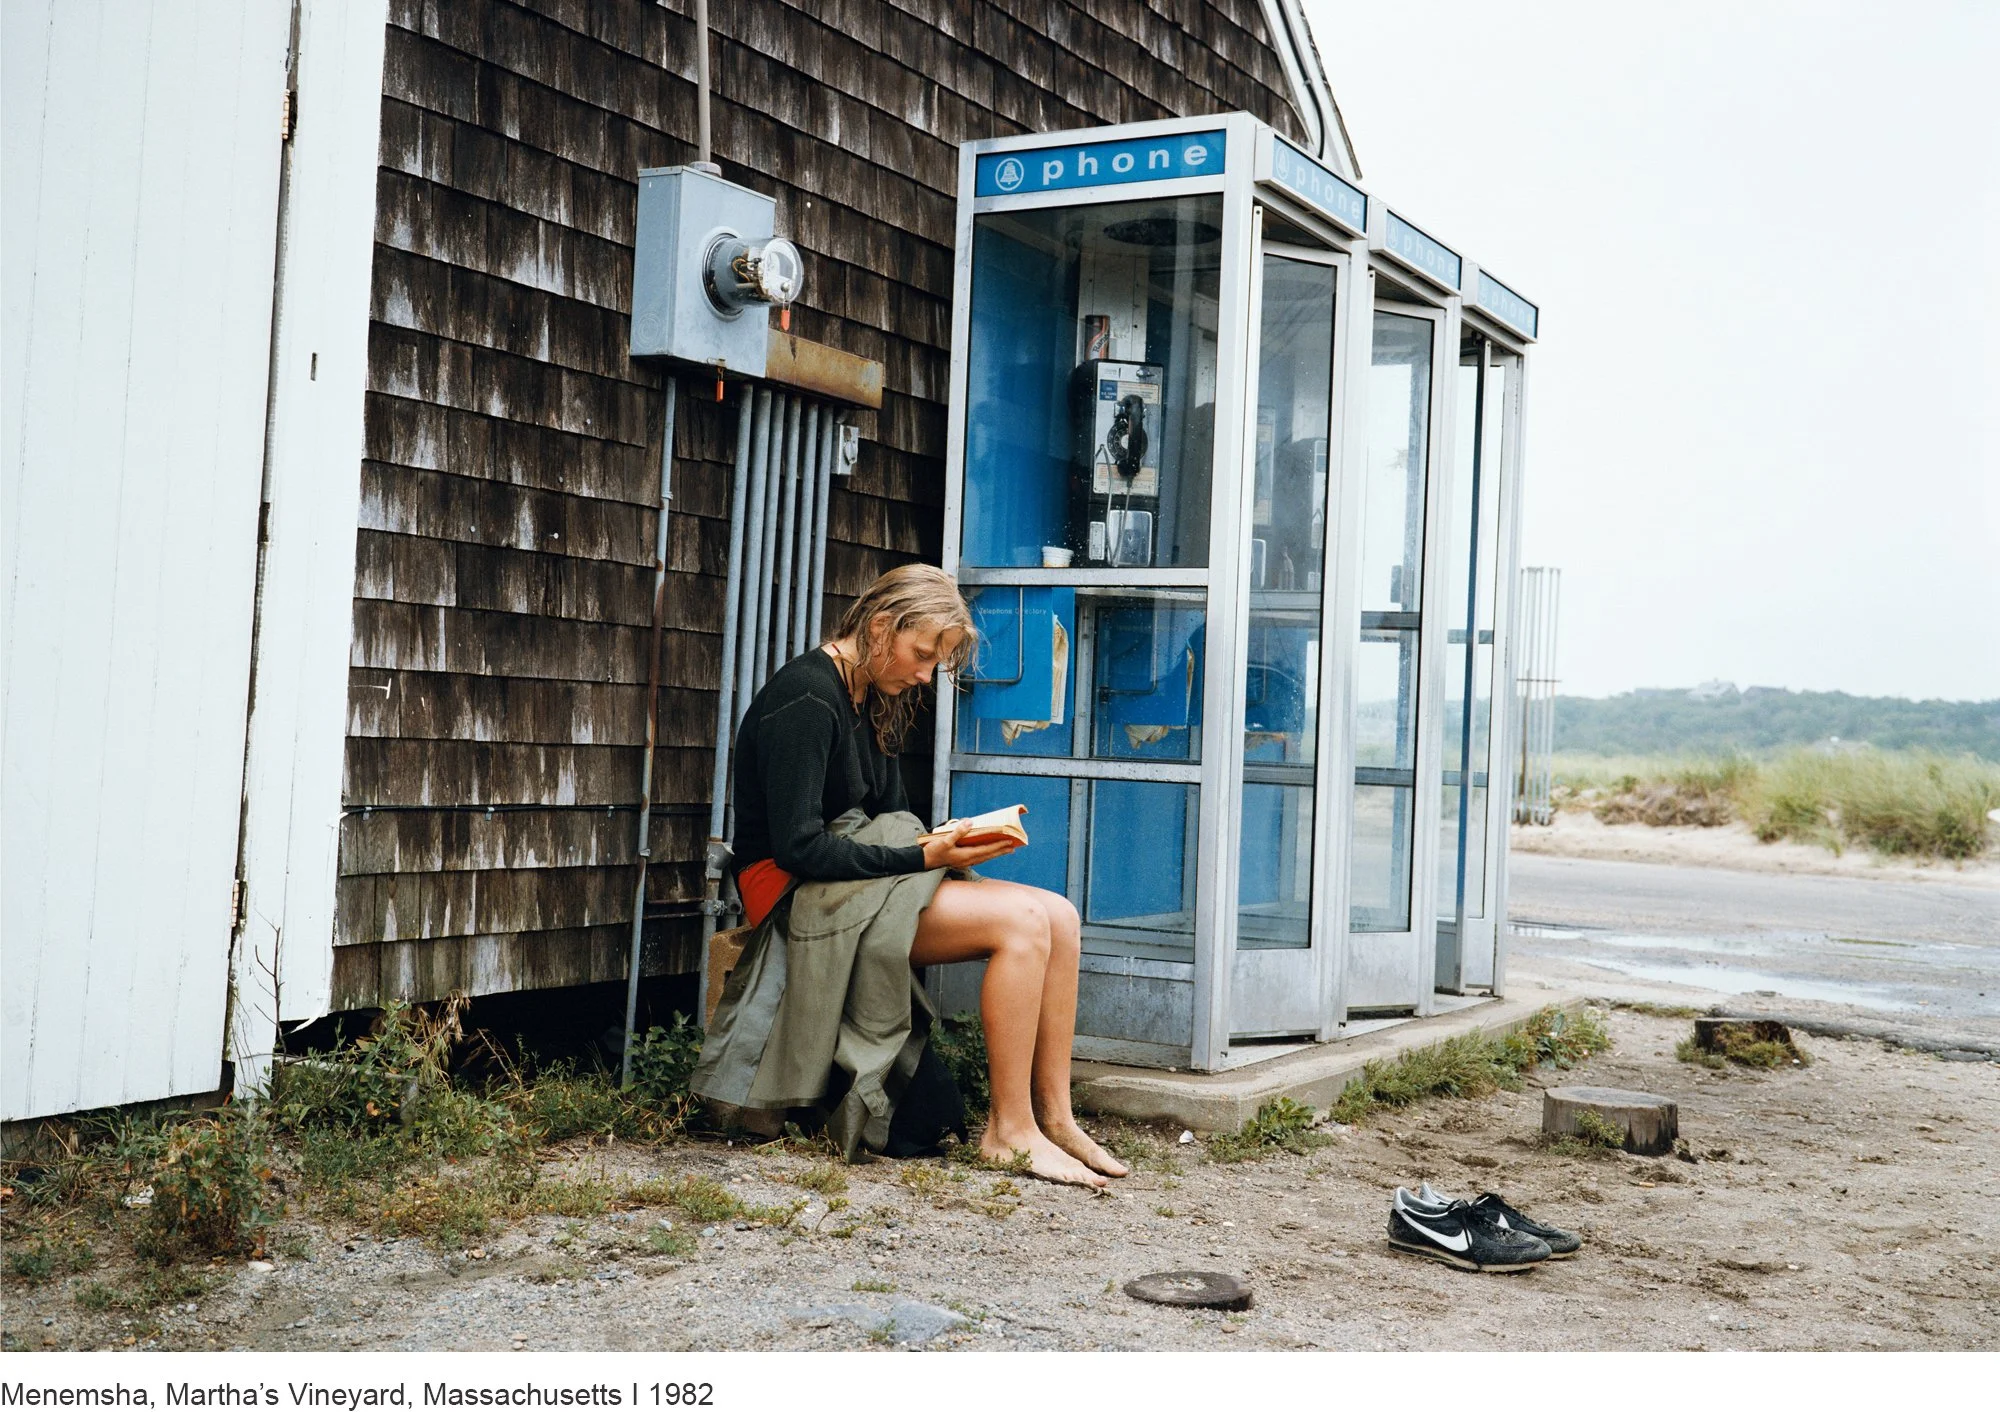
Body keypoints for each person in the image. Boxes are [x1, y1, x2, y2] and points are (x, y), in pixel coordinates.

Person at [730, 563, 1127, 1189]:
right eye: (920, 655)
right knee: (1022, 924)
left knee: (1060, 915)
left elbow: (883, 821)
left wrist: (950, 838)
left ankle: (1055, 1116)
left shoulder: (869, 693)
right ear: (881, 626)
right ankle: (1009, 1131)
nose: (922, 674)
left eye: (933, 662)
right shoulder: (806, 696)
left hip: (854, 880)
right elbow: (799, 847)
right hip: (792, 892)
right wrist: (921, 858)